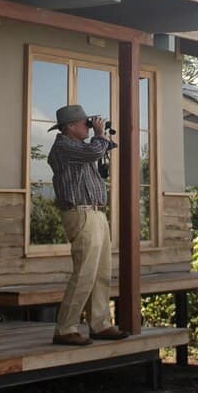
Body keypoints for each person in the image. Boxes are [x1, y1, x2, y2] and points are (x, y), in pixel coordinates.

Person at [45, 103, 129, 345]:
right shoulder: (63, 146)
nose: (88, 126)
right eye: (84, 123)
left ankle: (100, 324)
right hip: (80, 213)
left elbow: (101, 149)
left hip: (96, 214)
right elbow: (94, 152)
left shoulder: (79, 146)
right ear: (70, 127)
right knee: (84, 273)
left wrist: (100, 135)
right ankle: (65, 328)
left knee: (102, 273)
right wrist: (100, 134)